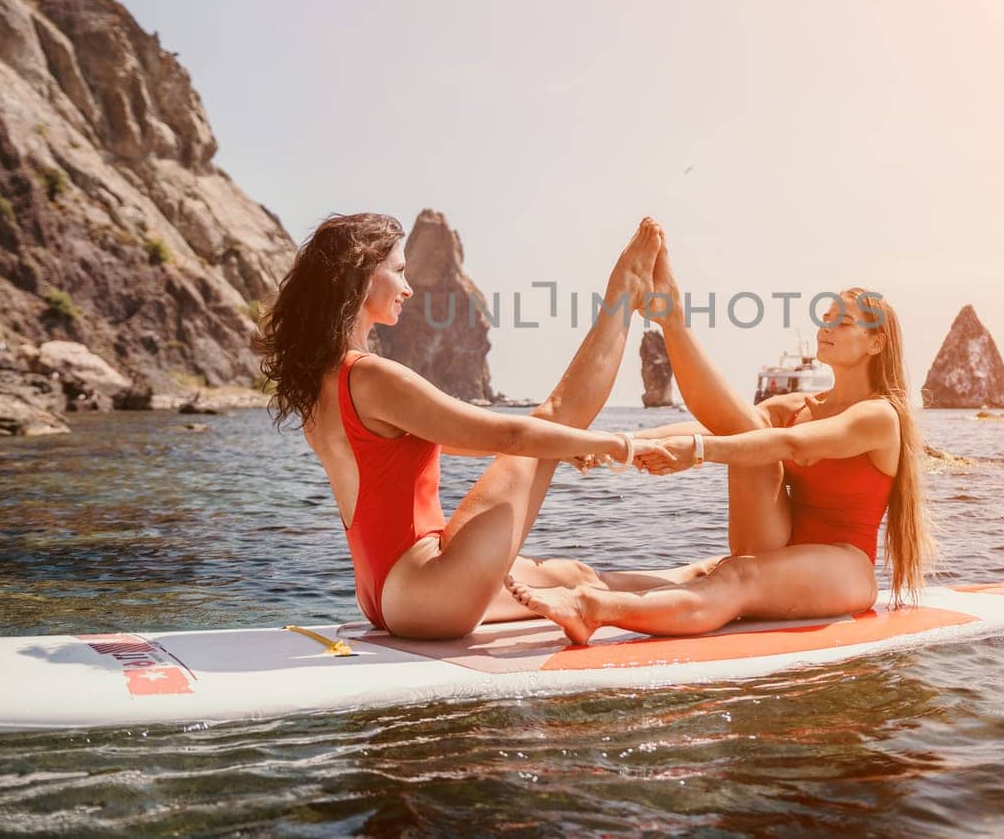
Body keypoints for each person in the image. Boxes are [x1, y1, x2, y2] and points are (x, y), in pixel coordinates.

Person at [256, 213, 705, 640]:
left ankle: (704, 581)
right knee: (554, 414)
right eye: (399, 270)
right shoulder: (371, 375)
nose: (409, 288)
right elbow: (510, 435)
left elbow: (451, 443)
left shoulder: (324, 383)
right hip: (429, 587)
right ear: (362, 275)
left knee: (575, 576)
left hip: (387, 596)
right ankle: (623, 293)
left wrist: (562, 449)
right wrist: (618, 445)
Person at [507, 236, 934, 644]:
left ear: (876, 341)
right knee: (696, 572)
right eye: (825, 319)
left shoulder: (880, 416)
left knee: (735, 576)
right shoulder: (801, 403)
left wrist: (696, 453)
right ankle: (545, 580)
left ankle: (589, 608)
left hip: (844, 567)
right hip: (776, 546)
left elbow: (794, 445)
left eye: (841, 322)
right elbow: (721, 428)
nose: (826, 328)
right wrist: (617, 444)